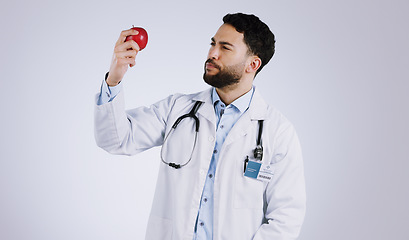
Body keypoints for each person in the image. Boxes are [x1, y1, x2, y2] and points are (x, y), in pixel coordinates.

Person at [94, 13, 306, 240]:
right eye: (213, 44)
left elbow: (286, 217)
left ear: (252, 64)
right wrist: (114, 78)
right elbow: (115, 140)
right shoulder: (177, 108)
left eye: (225, 48)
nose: (212, 54)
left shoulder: (278, 131)